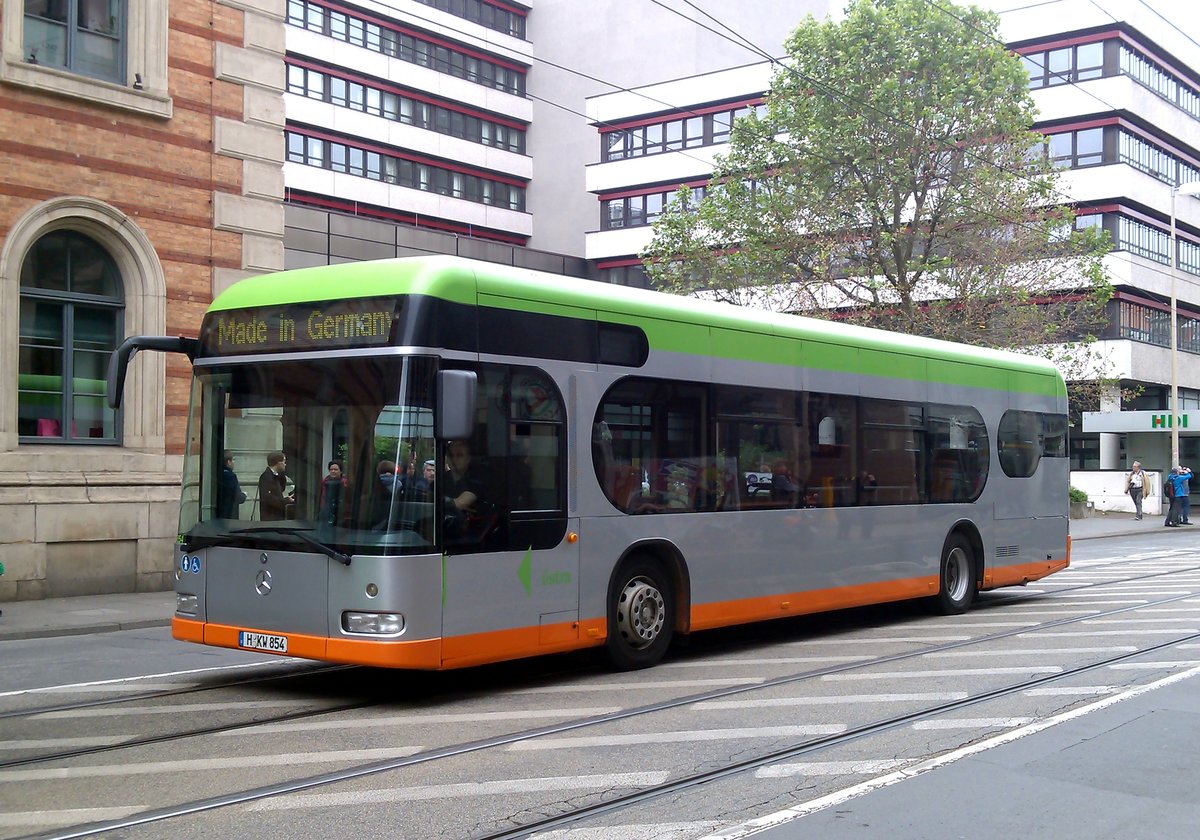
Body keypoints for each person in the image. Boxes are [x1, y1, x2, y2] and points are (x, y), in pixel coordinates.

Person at [258, 451, 294, 521]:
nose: (285, 464)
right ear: (279, 463)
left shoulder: (276, 475)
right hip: (270, 516)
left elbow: (282, 489)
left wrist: (282, 472)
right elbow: (268, 498)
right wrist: (286, 500)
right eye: (284, 462)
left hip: (277, 515)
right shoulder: (266, 476)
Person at [317, 460, 348, 527]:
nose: (333, 471)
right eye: (331, 469)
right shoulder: (325, 481)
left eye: (336, 469)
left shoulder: (345, 482)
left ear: (341, 471)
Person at [216, 450, 246, 519]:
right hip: (229, 513)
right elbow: (237, 496)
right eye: (233, 460)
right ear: (229, 462)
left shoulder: (218, 474)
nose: (234, 462)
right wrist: (244, 495)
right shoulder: (231, 476)